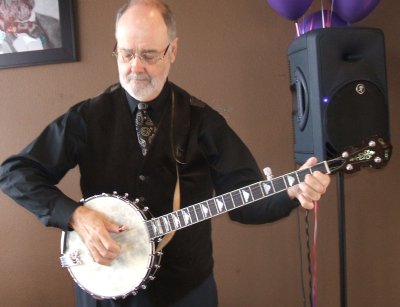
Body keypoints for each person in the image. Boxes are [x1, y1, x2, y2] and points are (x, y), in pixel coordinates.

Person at [0, 0, 331, 306]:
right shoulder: (86, 118)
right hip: (102, 289)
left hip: (186, 292)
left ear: (173, 50)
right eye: (126, 54)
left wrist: (290, 192)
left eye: (149, 54)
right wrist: (75, 215)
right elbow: (15, 173)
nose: (136, 67)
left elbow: (247, 203)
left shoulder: (204, 121)